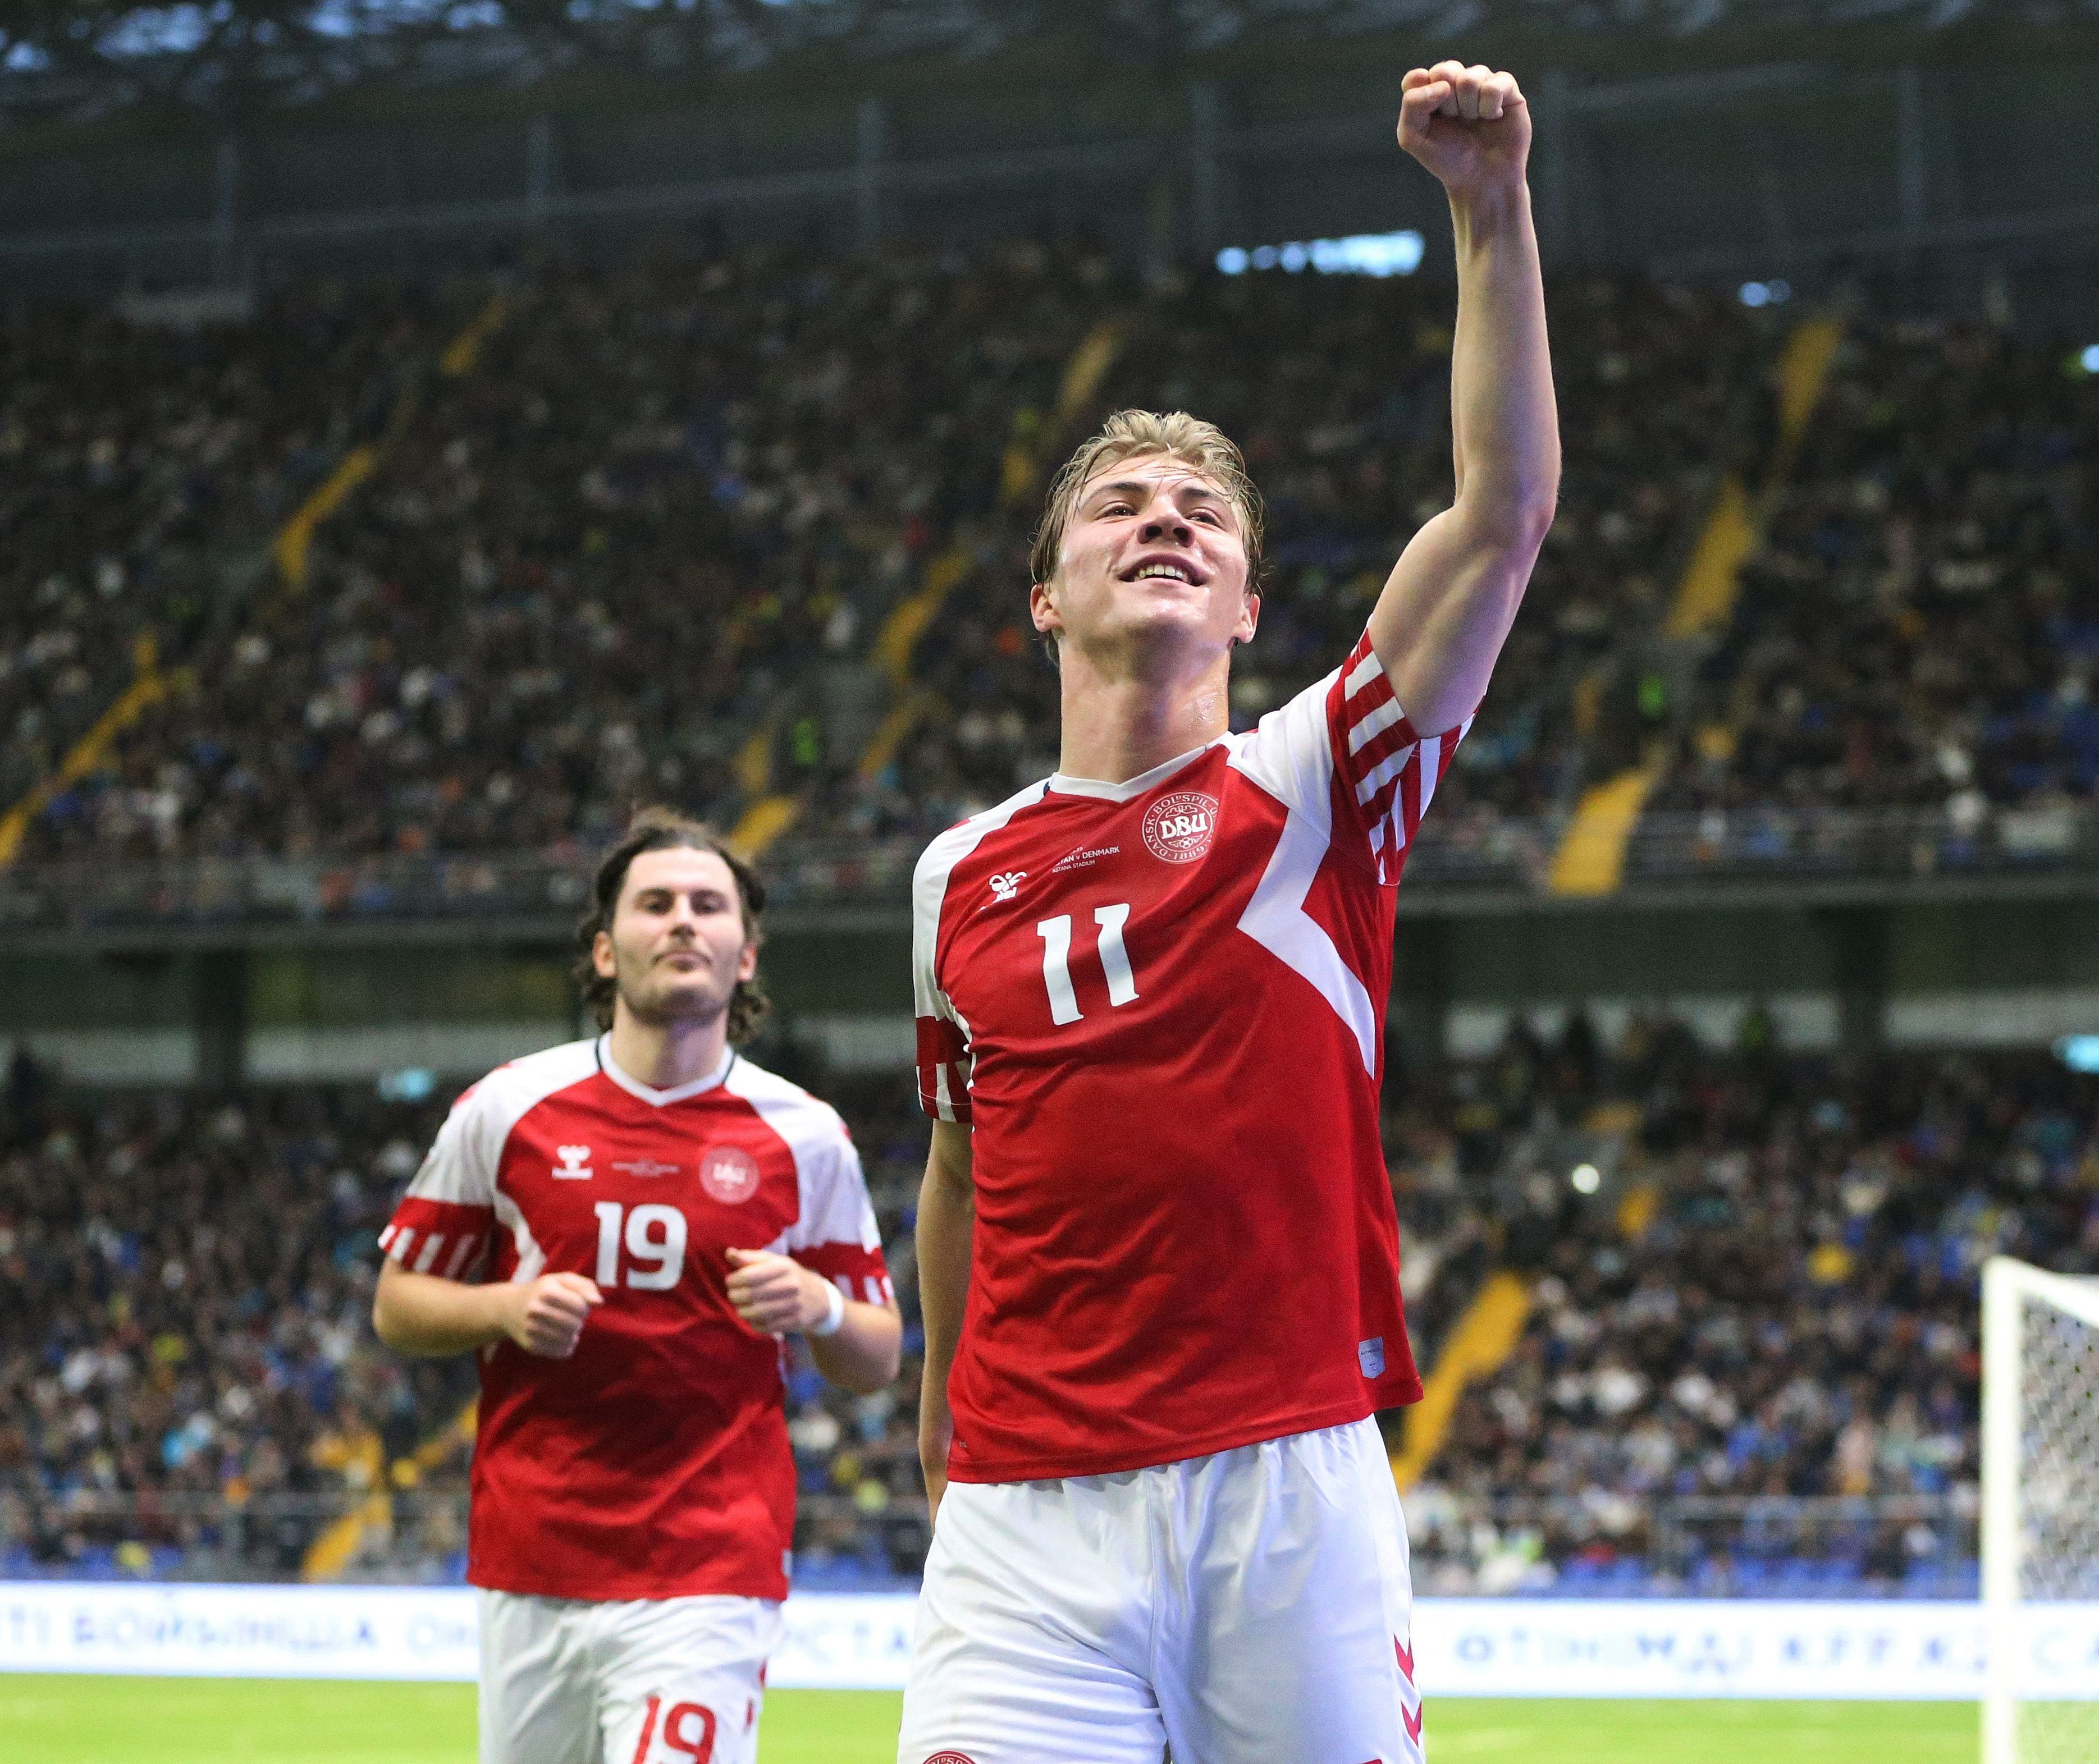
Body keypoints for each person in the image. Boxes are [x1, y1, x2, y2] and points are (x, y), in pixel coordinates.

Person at [899, 59, 1558, 1764]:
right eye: (1121, 506)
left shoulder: (1320, 779)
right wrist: (933, 1433)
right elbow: (965, 1161)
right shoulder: (952, 877)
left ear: (1253, 605)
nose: (1166, 519)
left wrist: (1487, 211)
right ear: (1046, 598)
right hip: (1024, 1515)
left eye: (1204, 513)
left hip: (1285, 1487)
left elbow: (1500, 519)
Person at [372, 809, 901, 1764]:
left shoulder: (804, 1133)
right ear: (606, 950)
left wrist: (816, 1305)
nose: (684, 922)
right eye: (655, 905)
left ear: (745, 956)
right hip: (534, 1553)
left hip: (712, 1558)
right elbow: (399, 1304)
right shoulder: (507, 1109)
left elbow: (877, 1353)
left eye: (710, 906)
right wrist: (502, 1306)